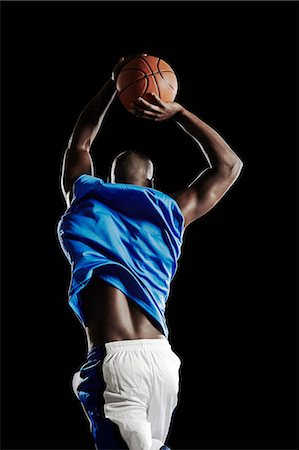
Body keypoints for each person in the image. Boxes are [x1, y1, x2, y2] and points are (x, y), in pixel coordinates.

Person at [57, 56, 243, 450]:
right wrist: (177, 112)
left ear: (109, 179)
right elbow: (228, 166)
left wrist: (113, 83)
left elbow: (81, 143)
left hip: (116, 363)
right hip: (162, 361)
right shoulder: (170, 212)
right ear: (153, 182)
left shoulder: (88, 199)